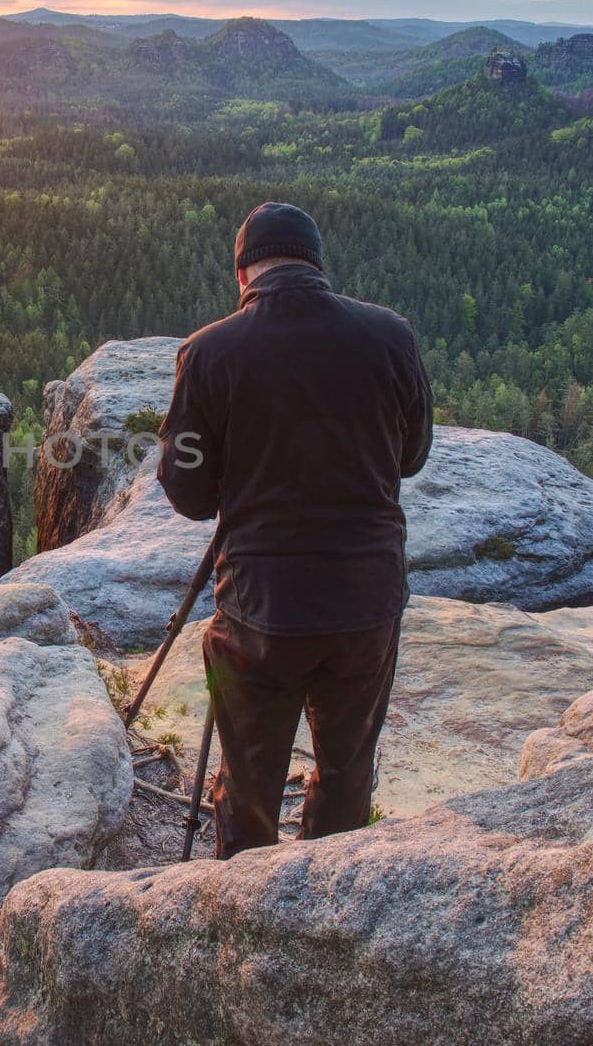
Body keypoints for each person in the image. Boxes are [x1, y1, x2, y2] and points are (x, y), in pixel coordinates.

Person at [157, 201, 433, 858]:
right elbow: (413, 455)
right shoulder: (389, 335)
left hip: (260, 610)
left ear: (243, 274)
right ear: (315, 264)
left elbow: (188, 490)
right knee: (346, 775)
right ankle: (329, 900)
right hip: (367, 603)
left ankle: (250, 911)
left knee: (249, 781)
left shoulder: (209, 352)